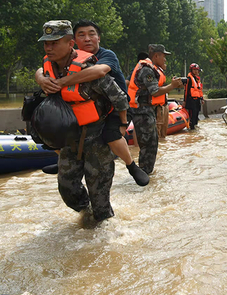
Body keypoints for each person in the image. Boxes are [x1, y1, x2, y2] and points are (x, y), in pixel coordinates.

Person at [34, 20, 149, 186]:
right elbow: (43, 68)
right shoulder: (67, 57)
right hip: (84, 105)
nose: (87, 39)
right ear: (73, 41)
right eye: (81, 35)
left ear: (99, 38)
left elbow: (98, 71)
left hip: (116, 105)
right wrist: (41, 78)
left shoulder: (106, 55)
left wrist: (123, 123)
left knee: (111, 134)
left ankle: (131, 165)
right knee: (54, 127)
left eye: (91, 34)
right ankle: (64, 162)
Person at [38, 20, 129, 222]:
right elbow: (41, 79)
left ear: (70, 44)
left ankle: (103, 231)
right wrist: (42, 80)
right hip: (70, 137)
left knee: (100, 199)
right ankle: (86, 215)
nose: (49, 48)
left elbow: (120, 98)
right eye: (46, 44)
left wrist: (122, 124)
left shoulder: (89, 68)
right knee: (67, 188)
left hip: (97, 136)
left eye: (54, 43)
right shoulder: (48, 69)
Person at [127, 44, 184, 174]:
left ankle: (147, 172)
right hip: (142, 111)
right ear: (156, 56)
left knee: (151, 142)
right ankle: (144, 172)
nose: (165, 59)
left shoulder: (151, 69)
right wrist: (172, 86)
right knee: (148, 144)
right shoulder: (147, 70)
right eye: (163, 56)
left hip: (147, 110)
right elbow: (155, 91)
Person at [184, 63, 204, 130]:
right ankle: (191, 128)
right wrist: (185, 101)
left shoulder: (197, 79)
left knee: (196, 114)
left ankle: (195, 127)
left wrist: (202, 98)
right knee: (192, 115)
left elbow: (199, 90)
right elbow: (186, 90)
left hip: (197, 100)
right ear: (191, 70)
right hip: (191, 100)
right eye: (194, 70)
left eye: (197, 70)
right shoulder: (189, 79)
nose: (196, 71)